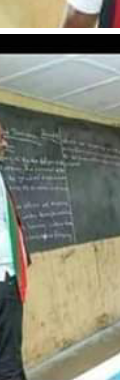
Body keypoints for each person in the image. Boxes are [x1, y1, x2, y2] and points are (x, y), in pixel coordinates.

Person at [0, 123, 30, 380]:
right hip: (3, 282)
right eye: (0, 138)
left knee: (9, 358)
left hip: (7, 278)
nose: (5, 144)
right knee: (9, 362)